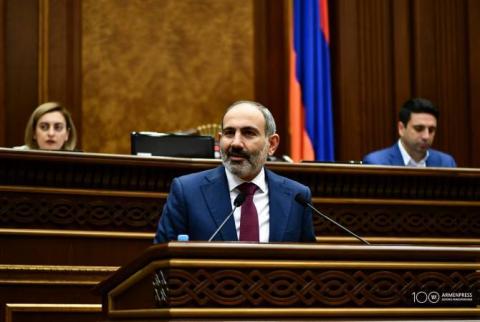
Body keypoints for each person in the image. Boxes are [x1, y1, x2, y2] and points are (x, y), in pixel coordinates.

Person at [154, 100, 316, 243]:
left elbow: (309, 265)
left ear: (272, 144)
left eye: (248, 133)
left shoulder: (297, 197)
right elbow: (162, 265)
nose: (236, 143)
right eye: (229, 133)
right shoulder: (187, 192)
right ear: (219, 139)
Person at [362, 98, 456, 167]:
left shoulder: (446, 163)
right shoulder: (376, 163)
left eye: (431, 130)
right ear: (401, 128)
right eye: (419, 128)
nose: (426, 136)